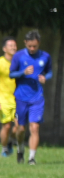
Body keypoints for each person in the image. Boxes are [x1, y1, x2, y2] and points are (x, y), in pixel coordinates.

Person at [10, 29, 54, 166]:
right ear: (25, 43)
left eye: (34, 46)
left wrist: (45, 78)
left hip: (37, 98)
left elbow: (50, 72)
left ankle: (31, 159)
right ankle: (20, 149)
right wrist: (23, 72)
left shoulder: (45, 56)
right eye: (29, 46)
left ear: (39, 43)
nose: (32, 48)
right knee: (21, 129)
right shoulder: (18, 56)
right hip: (21, 98)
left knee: (34, 128)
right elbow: (11, 74)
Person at [0, 37, 18, 158]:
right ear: (4, 48)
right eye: (10, 45)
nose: (13, 47)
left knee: (19, 126)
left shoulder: (19, 62)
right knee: (6, 126)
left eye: (15, 45)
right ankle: (4, 149)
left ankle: (10, 141)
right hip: (4, 100)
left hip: (17, 99)